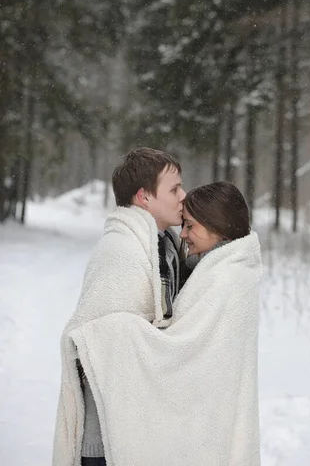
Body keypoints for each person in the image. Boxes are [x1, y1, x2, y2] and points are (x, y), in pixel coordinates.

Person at [62, 180, 262, 466]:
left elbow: (180, 350)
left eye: (190, 226)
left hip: (209, 419)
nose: (183, 233)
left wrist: (107, 332)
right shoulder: (220, 268)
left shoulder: (226, 279)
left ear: (216, 227)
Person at [52, 147, 186, 466]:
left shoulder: (164, 247)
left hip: (142, 430)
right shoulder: (121, 252)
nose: (184, 196)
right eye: (174, 188)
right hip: (109, 441)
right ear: (144, 197)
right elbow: (101, 344)